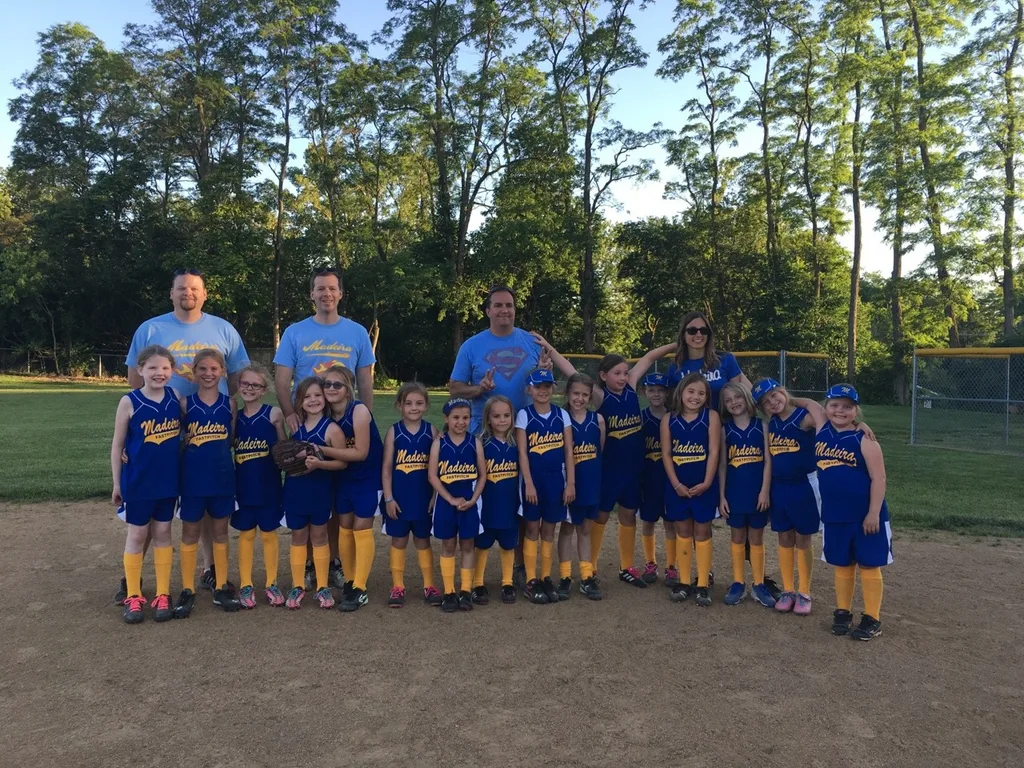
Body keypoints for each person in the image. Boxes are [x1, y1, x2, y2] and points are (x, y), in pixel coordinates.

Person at [119, 268, 249, 602]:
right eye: (181, 288)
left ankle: (210, 569)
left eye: (194, 288)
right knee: (151, 504)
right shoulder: (151, 328)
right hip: (162, 429)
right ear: (171, 293)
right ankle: (132, 577)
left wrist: (217, 409)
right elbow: (135, 380)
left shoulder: (223, 329)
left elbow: (237, 377)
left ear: (204, 294)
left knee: (203, 499)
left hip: (207, 428)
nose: (187, 293)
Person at [538, 336, 677, 588]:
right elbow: (571, 371)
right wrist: (550, 348)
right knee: (600, 517)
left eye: (625, 372)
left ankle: (627, 567)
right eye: (617, 373)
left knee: (628, 515)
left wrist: (678, 345)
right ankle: (590, 567)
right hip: (609, 471)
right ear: (603, 376)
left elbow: (649, 357)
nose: (623, 377)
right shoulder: (601, 396)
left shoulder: (631, 387)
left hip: (634, 470)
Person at [274, 267, 376, 584]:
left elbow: (365, 379)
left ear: (341, 293)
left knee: (335, 494)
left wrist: (364, 415)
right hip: (309, 417)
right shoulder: (295, 331)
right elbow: (282, 379)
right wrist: (289, 413)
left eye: (332, 288)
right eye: (320, 288)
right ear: (312, 294)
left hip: (342, 418)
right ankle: (309, 563)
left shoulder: (356, 332)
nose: (326, 293)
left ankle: (333, 560)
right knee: (310, 486)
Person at [752, 378, 876, 615]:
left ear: (783, 391)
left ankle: (804, 592)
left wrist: (858, 424)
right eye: (766, 402)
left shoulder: (804, 417)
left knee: (803, 538)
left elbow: (826, 413)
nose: (773, 402)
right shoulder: (772, 423)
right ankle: (788, 590)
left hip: (804, 486)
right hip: (780, 487)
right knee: (784, 537)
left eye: (775, 395)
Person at [811, 385, 891, 641]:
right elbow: (802, 402)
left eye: (847, 407)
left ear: (856, 410)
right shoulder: (822, 429)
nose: (840, 411)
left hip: (864, 515)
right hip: (835, 514)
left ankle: (872, 617)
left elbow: (879, 479)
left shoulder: (864, 440)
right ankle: (843, 612)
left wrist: (873, 512)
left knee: (868, 563)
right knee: (842, 563)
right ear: (825, 407)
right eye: (834, 405)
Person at [111, 345, 181, 624]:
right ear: (140, 370)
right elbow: (117, 445)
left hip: (167, 481)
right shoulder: (130, 401)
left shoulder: (175, 397)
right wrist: (117, 483)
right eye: (152, 367)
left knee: (163, 532)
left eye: (165, 367)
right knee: (138, 535)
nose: (159, 373)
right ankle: (133, 595)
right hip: (138, 481)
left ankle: (163, 593)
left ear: (172, 371)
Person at [174, 349, 240, 617]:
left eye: (214, 369)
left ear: (223, 372)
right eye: (202, 368)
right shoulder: (185, 404)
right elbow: (174, 440)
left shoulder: (230, 404)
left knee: (220, 532)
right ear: (194, 372)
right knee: (190, 533)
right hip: (192, 479)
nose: (208, 373)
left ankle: (221, 585)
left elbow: (232, 440)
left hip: (222, 478)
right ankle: (187, 589)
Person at [320, 364, 384, 612]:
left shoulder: (358, 410)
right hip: (343, 477)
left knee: (361, 528)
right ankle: (349, 580)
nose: (331, 388)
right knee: (345, 527)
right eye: (327, 384)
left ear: (348, 389)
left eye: (337, 384)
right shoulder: (326, 414)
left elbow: (361, 452)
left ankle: (360, 587)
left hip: (367, 477)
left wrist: (321, 449)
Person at [282, 377, 347, 610]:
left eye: (318, 395)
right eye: (307, 396)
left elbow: (342, 462)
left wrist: (320, 464)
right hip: (295, 489)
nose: (313, 400)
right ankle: (298, 585)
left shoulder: (331, 429)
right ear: (299, 401)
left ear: (325, 398)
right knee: (298, 536)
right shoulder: (295, 426)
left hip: (320, 490)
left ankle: (322, 586)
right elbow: (283, 456)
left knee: (319, 536)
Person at [449, 286, 546, 435]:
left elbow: (547, 386)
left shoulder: (534, 343)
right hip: (485, 433)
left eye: (509, 305)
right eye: (498, 305)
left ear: (515, 310)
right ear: (488, 311)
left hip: (527, 430)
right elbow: (455, 390)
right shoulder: (470, 346)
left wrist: (544, 373)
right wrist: (479, 389)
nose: (504, 310)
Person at [516, 368, 576, 605]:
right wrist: (529, 483)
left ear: (553, 388)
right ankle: (531, 579)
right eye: (538, 386)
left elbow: (569, 451)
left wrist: (570, 484)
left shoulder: (562, 415)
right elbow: (522, 452)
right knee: (532, 528)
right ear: (529, 389)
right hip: (533, 480)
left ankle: (546, 577)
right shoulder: (524, 415)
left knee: (549, 529)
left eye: (547, 386)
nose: (543, 391)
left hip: (556, 480)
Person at [662, 373, 721, 607]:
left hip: (703, 485)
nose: (695, 397)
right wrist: (676, 484)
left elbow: (714, 451)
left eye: (701, 393)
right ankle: (684, 581)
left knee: (702, 532)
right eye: (691, 391)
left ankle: (703, 583)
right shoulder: (669, 419)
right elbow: (667, 454)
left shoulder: (711, 416)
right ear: (681, 392)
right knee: (683, 531)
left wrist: (707, 482)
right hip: (678, 486)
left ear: (707, 397)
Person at [231, 363, 287, 608]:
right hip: (243, 485)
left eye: (256, 385)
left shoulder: (273, 414)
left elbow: (284, 449)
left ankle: (271, 582)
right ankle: (246, 584)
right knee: (245, 534)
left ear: (264, 389)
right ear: (238, 385)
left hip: (268, 485)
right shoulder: (235, 416)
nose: (249, 388)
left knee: (268, 534)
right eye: (245, 383)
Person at [380, 382, 440, 609]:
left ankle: (429, 585)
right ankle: (397, 586)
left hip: (423, 497)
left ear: (426, 405)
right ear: (399, 406)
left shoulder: (432, 431)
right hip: (399, 498)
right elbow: (387, 468)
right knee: (399, 540)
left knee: (423, 540)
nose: (414, 408)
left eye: (419, 403)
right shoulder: (394, 432)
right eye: (409, 403)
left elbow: (438, 469)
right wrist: (388, 498)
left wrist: (435, 496)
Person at [717, 381, 775, 608]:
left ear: (746, 398)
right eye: (728, 400)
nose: (734, 403)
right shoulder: (725, 429)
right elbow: (723, 465)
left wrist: (765, 491)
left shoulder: (762, 426)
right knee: (737, 537)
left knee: (757, 538)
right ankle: (738, 582)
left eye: (737, 397)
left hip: (757, 493)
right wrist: (722, 496)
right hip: (735, 493)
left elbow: (768, 462)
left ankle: (759, 584)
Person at [429, 398, 487, 613]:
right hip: (446, 503)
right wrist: (450, 499)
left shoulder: (475, 442)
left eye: (465, 417)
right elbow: (433, 476)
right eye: (455, 417)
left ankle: (465, 589)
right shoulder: (439, 443)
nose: (461, 422)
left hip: (469, 502)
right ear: (446, 419)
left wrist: (473, 499)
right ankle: (449, 591)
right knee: (448, 545)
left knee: (468, 545)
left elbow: (483, 475)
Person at [474, 396, 521, 605]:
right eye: (496, 416)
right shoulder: (480, 443)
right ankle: (477, 583)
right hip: (487, 504)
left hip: (510, 503)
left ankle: (507, 582)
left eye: (506, 415)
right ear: (488, 419)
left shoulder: (516, 443)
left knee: (508, 543)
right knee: (482, 544)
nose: (502, 420)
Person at [564, 373, 604, 601]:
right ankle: (565, 575)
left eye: (584, 395)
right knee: (567, 529)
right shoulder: (561, 419)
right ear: (568, 393)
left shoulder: (597, 420)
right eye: (575, 393)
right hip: (569, 485)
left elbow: (600, 449)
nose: (579, 398)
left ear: (590, 397)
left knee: (585, 529)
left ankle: (587, 576)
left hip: (590, 483)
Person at [638, 373, 678, 587]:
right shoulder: (640, 418)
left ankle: (671, 566)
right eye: (651, 390)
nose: (656, 394)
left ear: (667, 393)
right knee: (648, 521)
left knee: (671, 522)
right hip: (648, 479)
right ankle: (650, 563)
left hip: (669, 479)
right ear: (644, 392)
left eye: (660, 390)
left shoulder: (673, 418)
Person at [666, 311, 751, 410]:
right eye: (692, 331)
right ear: (683, 334)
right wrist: (679, 343)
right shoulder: (676, 367)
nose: (699, 334)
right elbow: (672, 404)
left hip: (723, 419)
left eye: (703, 330)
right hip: (689, 419)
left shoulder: (725, 359)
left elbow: (737, 395)